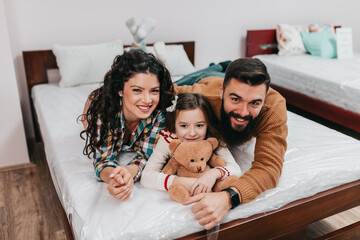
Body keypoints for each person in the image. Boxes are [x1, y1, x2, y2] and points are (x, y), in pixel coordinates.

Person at [174, 58, 288, 230]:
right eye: (235, 99)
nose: (243, 112)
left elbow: (269, 167)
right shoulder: (204, 95)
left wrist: (228, 198)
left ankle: (222, 67)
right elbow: (166, 92)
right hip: (208, 79)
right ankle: (218, 67)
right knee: (180, 80)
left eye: (255, 103)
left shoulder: (273, 108)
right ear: (222, 92)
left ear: (264, 98)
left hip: (222, 79)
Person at [81, 49, 174, 201]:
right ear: (120, 90)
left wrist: (128, 171)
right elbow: (103, 159)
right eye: (137, 90)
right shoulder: (102, 111)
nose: (147, 100)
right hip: (99, 102)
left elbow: (145, 155)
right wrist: (115, 179)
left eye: (154, 91)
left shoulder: (159, 112)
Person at [141, 93, 241, 197]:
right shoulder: (168, 140)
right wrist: (181, 181)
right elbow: (146, 176)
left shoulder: (212, 139)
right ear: (174, 124)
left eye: (199, 125)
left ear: (207, 124)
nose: (192, 133)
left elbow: (235, 168)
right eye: (184, 126)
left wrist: (213, 174)